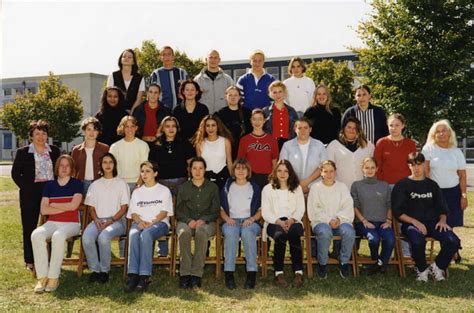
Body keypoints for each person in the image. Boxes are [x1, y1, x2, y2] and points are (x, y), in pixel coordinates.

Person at [392, 152, 460, 282]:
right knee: (418, 240)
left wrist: (443, 220)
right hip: (411, 224)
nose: (416, 168)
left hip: (433, 223)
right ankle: (422, 270)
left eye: (419, 164)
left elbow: (443, 208)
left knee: (453, 241)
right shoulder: (402, 185)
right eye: (413, 165)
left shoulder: (432, 185)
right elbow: (398, 212)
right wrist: (415, 222)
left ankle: (438, 266)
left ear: (424, 165)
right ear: (409, 166)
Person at [11, 120, 61, 273]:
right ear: (31, 136)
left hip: (51, 193)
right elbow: (15, 174)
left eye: (44, 133)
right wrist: (27, 189)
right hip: (30, 194)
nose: (40, 136)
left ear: (47, 135)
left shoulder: (54, 151)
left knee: (53, 226)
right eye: (37, 133)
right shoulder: (23, 152)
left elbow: (60, 170)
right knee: (29, 227)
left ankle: (52, 256)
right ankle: (30, 260)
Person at [31, 155, 83, 293]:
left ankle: (53, 278)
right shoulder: (50, 185)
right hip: (52, 222)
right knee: (36, 234)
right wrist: (62, 206)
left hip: (72, 224)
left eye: (67, 166)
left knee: (58, 236)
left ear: (72, 169)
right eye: (61, 165)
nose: (64, 168)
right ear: (57, 168)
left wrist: (53, 204)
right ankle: (42, 278)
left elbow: (74, 206)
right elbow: (43, 209)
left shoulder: (77, 184)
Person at [422, 119, 467, 262]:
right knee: (438, 223)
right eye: (438, 132)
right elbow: (426, 171)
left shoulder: (456, 151)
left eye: (444, 131)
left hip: (453, 192)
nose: (441, 134)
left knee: (450, 223)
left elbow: (462, 175)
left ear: (449, 133)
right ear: (433, 135)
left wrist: (463, 195)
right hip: (435, 193)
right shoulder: (428, 149)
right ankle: (453, 248)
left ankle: (451, 248)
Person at [124, 161, 173, 292]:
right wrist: (140, 222)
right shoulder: (137, 192)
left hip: (159, 223)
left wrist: (151, 223)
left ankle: (144, 276)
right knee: (134, 234)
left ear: (155, 173)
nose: (144, 174)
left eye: (148, 171)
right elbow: (133, 213)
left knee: (146, 234)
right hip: (140, 223)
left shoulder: (164, 190)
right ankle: (133, 275)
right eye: (142, 171)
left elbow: (164, 213)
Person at [82, 153, 129, 284]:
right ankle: (95, 270)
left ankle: (105, 271)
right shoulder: (95, 184)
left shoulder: (121, 183)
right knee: (87, 237)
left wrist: (111, 220)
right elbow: (91, 207)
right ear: (101, 165)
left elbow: (124, 208)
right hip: (98, 219)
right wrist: (96, 219)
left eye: (110, 162)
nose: (108, 165)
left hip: (117, 221)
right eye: (105, 162)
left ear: (114, 165)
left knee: (104, 237)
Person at [176, 157, 220, 289]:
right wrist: (189, 221)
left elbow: (215, 210)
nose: (197, 171)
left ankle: (196, 274)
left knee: (201, 232)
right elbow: (179, 210)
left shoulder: (212, 187)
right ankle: (185, 274)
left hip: (207, 222)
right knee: (183, 233)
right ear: (190, 170)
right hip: (186, 221)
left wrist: (204, 219)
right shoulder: (183, 187)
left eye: (201, 168)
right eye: (194, 168)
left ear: (205, 170)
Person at [307, 160, 355, 279]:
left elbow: (347, 205)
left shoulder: (342, 187)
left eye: (331, 171)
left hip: (341, 221)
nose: (329, 174)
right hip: (321, 222)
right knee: (324, 232)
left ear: (335, 172)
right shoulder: (315, 188)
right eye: (325, 171)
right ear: (321, 173)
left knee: (349, 232)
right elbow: (315, 209)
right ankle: (322, 263)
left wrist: (338, 219)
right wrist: (329, 220)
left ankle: (344, 262)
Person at [261, 160, 305, 288]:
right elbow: (266, 211)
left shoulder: (297, 188)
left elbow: (301, 208)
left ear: (290, 173)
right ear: (275, 172)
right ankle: (278, 272)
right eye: (279, 170)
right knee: (279, 235)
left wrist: (291, 220)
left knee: (294, 233)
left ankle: (298, 272)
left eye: (286, 171)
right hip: (274, 221)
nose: (282, 173)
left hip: (294, 220)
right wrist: (279, 221)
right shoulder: (267, 189)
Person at [220, 159, 262, 289]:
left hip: (250, 220)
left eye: (244, 168)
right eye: (238, 168)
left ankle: (251, 273)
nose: (241, 171)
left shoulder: (254, 187)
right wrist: (227, 218)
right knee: (231, 233)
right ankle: (229, 273)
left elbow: (261, 210)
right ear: (233, 171)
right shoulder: (227, 186)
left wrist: (252, 219)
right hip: (231, 220)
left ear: (248, 171)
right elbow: (221, 209)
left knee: (248, 232)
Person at [351, 157, 395, 275]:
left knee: (391, 239)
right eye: (367, 168)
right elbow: (354, 206)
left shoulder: (385, 185)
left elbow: (389, 205)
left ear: (377, 169)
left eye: (372, 167)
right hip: (363, 222)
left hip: (382, 222)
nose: (369, 170)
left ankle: (379, 264)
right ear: (362, 169)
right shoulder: (356, 185)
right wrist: (364, 220)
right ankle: (376, 260)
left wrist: (389, 220)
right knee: (374, 239)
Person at [149, 116, 195, 195]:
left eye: (173, 126)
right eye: (167, 126)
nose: (171, 129)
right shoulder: (156, 145)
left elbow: (191, 164)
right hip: (161, 183)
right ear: (162, 128)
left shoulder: (185, 143)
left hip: (181, 182)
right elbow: (152, 166)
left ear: (177, 128)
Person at [280, 118, 326, 193]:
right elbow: (284, 167)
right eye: (299, 128)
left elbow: (323, 166)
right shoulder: (287, 146)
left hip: (315, 189)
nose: (303, 130)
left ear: (310, 129)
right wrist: (298, 184)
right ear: (295, 129)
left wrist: (307, 183)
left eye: (305, 128)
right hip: (292, 188)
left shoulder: (319, 145)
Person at [326, 117, 374, 189]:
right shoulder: (333, 145)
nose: (351, 130)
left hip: (363, 189)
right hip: (341, 189)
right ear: (343, 128)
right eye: (349, 127)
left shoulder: (368, 145)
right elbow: (328, 169)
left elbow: (373, 167)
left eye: (355, 128)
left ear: (358, 130)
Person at [237, 108, 279, 190]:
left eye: (260, 119)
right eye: (254, 119)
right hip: (250, 177)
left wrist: (273, 178)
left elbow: (274, 162)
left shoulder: (272, 140)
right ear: (251, 121)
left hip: (267, 178)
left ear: (264, 120)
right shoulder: (244, 140)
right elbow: (241, 162)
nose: (257, 122)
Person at [193, 115, 233, 189]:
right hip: (206, 180)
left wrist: (233, 180)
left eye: (213, 125)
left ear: (218, 126)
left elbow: (229, 162)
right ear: (204, 127)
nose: (210, 128)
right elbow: (199, 164)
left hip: (223, 179)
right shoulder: (199, 143)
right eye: (208, 125)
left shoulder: (225, 141)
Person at [109, 116, 150, 191]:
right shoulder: (115, 146)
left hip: (138, 183)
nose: (129, 129)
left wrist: (138, 185)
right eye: (126, 126)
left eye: (132, 126)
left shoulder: (143, 145)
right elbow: (111, 168)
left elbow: (144, 167)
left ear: (136, 128)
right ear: (122, 128)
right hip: (119, 184)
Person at [71, 117, 109, 195]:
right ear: (84, 131)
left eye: (95, 129)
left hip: (100, 183)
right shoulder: (76, 150)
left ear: (98, 132)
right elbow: (73, 170)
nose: (92, 132)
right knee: (83, 206)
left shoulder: (105, 148)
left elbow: (109, 168)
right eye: (89, 129)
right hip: (81, 183)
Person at [217, 86, 252, 160]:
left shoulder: (247, 113)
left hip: (245, 149)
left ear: (239, 97)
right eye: (230, 95)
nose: (233, 97)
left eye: (235, 95)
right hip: (226, 149)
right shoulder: (220, 114)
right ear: (226, 97)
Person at [150, 46, 188, 110]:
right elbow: (151, 95)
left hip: (181, 110)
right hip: (161, 111)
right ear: (161, 58)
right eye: (164, 54)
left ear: (173, 57)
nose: (167, 57)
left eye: (169, 54)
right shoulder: (156, 74)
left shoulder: (182, 73)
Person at [263, 81, 298, 150]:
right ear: (271, 94)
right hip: (271, 145)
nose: (277, 95)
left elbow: (297, 129)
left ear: (284, 93)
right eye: (274, 92)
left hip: (289, 145)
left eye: (280, 91)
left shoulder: (291, 111)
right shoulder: (265, 111)